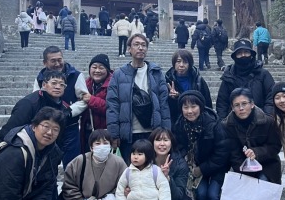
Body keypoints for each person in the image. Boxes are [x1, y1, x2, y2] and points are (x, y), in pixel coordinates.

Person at [223, 87, 282, 200]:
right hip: (242, 166)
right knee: (245, 189)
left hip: (267, 165)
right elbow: (232, 151)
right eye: (236, 105)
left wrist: (257, 153)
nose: (241, 108)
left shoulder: (267, 121)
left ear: (252, 104)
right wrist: (242, 168)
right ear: (232, 108)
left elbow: (275, 146)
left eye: (244, 104)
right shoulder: (228, 125)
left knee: (261, 185)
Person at [173, 90, 230, 200]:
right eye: (185, 107)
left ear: (201, 106)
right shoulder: (179, 125)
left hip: (216, 167)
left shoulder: (213, 123)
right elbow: (179, 147)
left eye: (193, 106)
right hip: (196, 168)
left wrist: (202, 168)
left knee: (213, 196)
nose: (190, 111)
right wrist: (187, 161)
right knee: (201, 195)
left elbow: (222, 152)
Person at [106, 33, 171, 164]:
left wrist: (166, 132)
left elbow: (163, 104)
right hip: (129, 133)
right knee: (131, 169)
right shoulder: (119, 74)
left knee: (152, 169)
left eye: (143, 45)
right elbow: (112, 105)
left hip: (153, 132)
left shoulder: (156, 73)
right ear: (129, 49)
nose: (140, 48)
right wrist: (114, 134)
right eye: (136, 44)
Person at [33, 46, 89, 167]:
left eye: (60, 60)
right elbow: (35, 98)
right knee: (47, 164)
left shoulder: (76, 75)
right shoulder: (40, 78)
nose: (58, 64)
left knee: (72, 165)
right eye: (53, 61)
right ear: (45, 63)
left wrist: (69, 111)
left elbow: (85, 99)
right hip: (48, 127)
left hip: (70, 127)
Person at [0, 70, 69, 143]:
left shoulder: (64, 107)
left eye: (62, 85)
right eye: (54, 83)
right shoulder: (29, 103)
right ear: (44, 85)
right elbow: (7, 132)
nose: (58, 87)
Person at [216, 39, 275, 119]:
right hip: (234, 122)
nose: (243, 55)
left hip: (261, 120)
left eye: (246, 52)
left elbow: (271, 96)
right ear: (235, 56)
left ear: (251, 55)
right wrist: (224, 121)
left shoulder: (263, 74)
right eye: (239, 53)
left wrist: (266, 117)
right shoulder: (228, 76)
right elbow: (222, 102)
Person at [165, 49, 212, 126]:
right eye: (178, 61)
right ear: (174, 63)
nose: (181, 65)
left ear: (190, 64)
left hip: (198, 121)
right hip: (177, 123)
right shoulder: (167, 81)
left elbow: (207, 102)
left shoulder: (198, 80)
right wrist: (173, 99)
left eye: (185, 62)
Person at [80, 54, 112, 154]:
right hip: (87, 131)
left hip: (104, 133)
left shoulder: (113, 84)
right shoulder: (85, 84)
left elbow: (111, 108)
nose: (97, 71)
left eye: (101, 68)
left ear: (107, 70)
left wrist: (91, 100)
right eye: (94, 67)